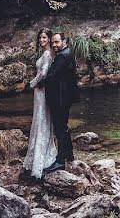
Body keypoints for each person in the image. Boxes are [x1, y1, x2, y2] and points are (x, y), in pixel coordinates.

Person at [35, 32, 79, 173]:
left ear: (64, 41)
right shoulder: (67, 52)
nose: (54, 45)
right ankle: (69, 155)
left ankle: (60, 161)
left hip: (60, 98)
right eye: (52, 42)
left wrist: (38, 84)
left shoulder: (62, 56)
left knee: (60, 129)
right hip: (65, 97)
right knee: (63, 127)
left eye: (57, 42)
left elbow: (52, 76)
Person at [23, 29, 58, 179]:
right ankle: (41, 155)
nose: (41, 40)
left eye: (44, 37)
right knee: (41, 120)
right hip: (41, 92)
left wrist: (32, 83)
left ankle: (40, 160)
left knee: (41, 120)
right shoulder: (49, 53)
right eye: (40, 38)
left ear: (49, 39)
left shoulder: (47, 54)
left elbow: (44, 73)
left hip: (41, 91)